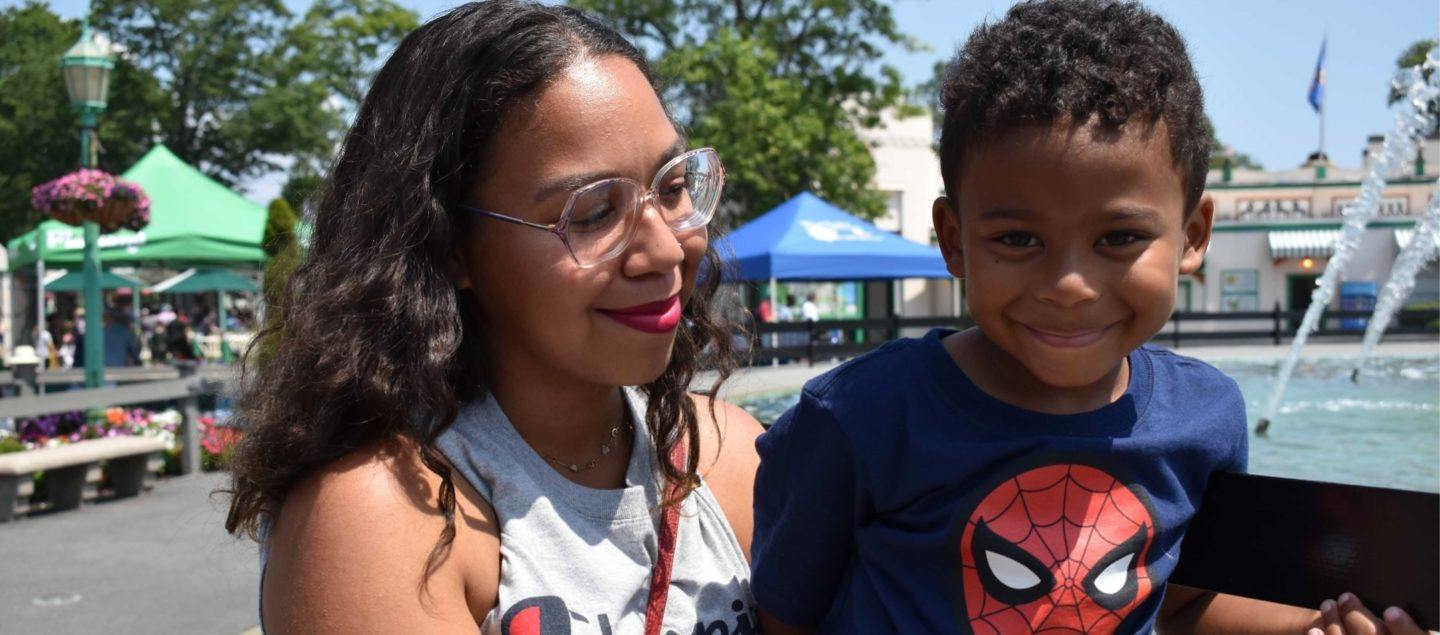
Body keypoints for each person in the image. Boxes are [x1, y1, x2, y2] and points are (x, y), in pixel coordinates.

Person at [750, 2, 1424, 634]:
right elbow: (783, 616)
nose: (1069, 285)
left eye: (1119, 238)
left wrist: (1311, 626)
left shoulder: (1206, 416)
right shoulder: (858, 416)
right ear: (954, 240)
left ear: (1192, 235)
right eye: (1018, 239)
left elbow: (1185, 605)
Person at [223, 2, 764, 633]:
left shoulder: (729, 455)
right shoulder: (383, 513)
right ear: (449, 245)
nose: (667, 249)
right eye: (592, 213)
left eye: (671, 187)